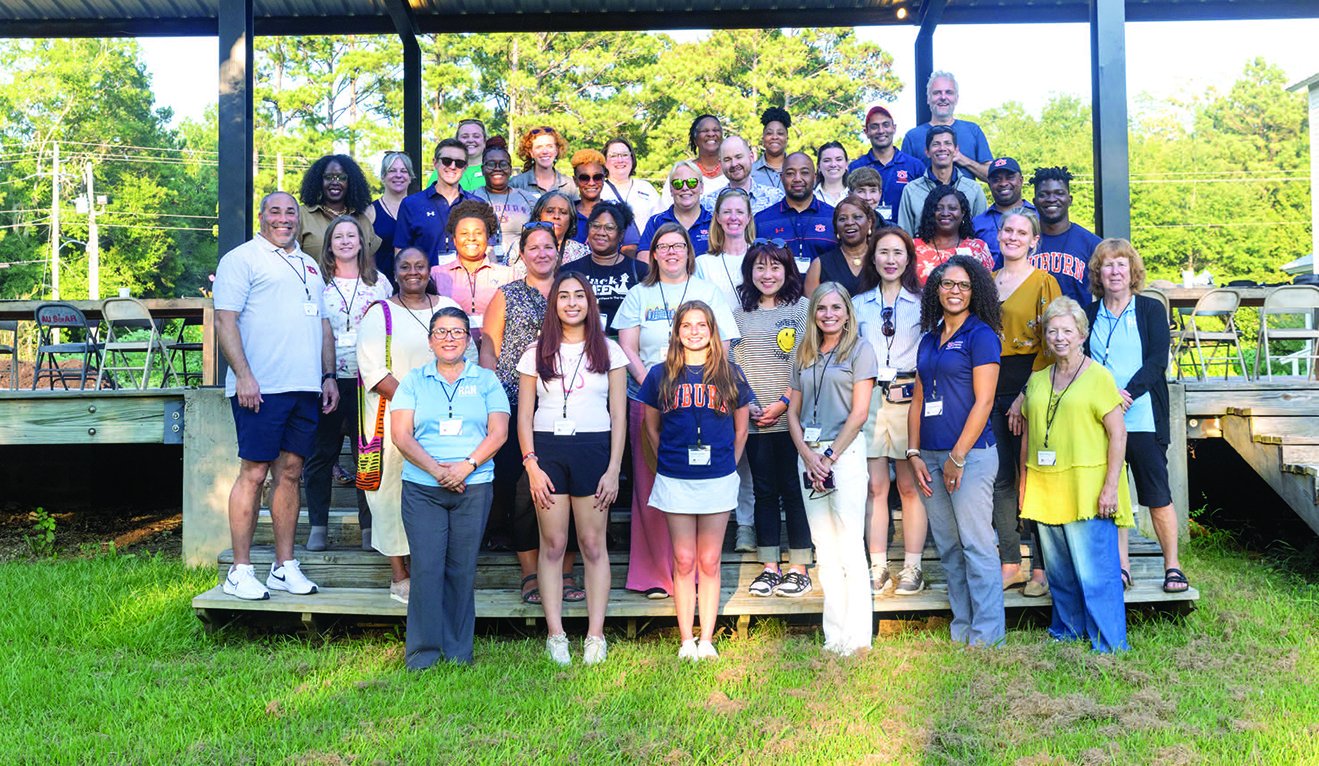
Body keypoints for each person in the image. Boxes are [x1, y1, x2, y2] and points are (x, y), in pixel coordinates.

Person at [214, 191, 338, 601]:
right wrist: (243, 375)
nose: (283, 219)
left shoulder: (308, 264)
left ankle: (283, 567)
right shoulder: (241, 259)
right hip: (260, 388)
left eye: (290, 212)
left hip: (303, 386)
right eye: (275, 211)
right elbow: (224, 319)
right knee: (254, 473)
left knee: (290, 473)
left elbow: (321, 325)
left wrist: (328, 376)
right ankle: (240, 569)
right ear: (262, 217)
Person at [615, 223, 740, 598]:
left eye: (678, 246)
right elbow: (628, 347)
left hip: (706, 402)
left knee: (702, 492)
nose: (671, 252)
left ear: (689, 252)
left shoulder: (707, 291)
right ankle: (655, 575)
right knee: (654, 490)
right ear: (652, 254)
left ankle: (699, 572)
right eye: (663, 247)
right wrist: (660, 385)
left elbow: (726, 342)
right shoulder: (640, 294)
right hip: (653, 402)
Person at [519, 273, 629, 665]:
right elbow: (524, 414)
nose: (571, 302)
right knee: (553, 545)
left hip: (594, 449)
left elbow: (619, 414)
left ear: (589, 302)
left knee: (593, 545)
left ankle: (595, 636)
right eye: (563, 296)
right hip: (547, 451)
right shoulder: (535, 352)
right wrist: (531, 464)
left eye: (578, 296)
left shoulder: (610, 351)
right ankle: (557, 635)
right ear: (554, 304)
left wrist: (614, 468)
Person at [391, 307, 510, 668]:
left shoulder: (487, 381)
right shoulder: (413, 381)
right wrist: (437, 470)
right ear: (430, 341)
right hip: (423, 488)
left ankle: (459, 652)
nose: (449, 338)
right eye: (441, 332)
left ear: (467, 340)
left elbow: (499, 432)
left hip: (473, 487)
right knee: (426, 569)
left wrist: (465, 466)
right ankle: (422, 655)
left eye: (457, 332)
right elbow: (400, 434)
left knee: (462, 570)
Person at [640, 300, 753, 660]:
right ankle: (686, 639)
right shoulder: (660, 374)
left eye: (701, 325)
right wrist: (669, 463)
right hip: (676, 478)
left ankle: (707, 640)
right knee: (684, 558)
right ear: (676, 332)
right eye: (686, 326)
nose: (694, 332)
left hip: (717, 477)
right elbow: (651, 428)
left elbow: (741, 428)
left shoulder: (730, 373)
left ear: (712, 330)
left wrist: (726, 465)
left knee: (709, 559)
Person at [1019, 297, 1132, 653]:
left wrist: (1111, 487)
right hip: (1047, 487)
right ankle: (1067, 634)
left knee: (1096, 574)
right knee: (1061, 575)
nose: (1059, 337)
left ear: (1082, 334)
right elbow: (1030, 432)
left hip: (1089, 487)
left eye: (1067, 330)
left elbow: (1119, 434)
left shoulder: (1099, 377)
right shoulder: (1036, 380)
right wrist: (1024, 484)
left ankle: (1109, 645)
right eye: (1052, 331)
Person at [356, 248, 463, 603]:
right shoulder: (380, 313)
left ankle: (431, 570)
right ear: (396, 271)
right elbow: (374, 370)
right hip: (391, 419)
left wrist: (438, 404)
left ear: (429, 271)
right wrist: (416, 404)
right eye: (405, 267)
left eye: (419, 266)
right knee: (390, 493)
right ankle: (399, 573)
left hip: (444, 418)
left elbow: (466, 354)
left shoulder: (445, 304)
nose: (413, 272)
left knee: (437, 489)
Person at [908, 255, 1004, 646]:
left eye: (963, 285)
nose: (954, 291)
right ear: (936, 289)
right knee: (948, 546)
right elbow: (917, 399)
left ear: (975, 291)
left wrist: (957, 456)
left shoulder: (981, 336)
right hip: (929, 456)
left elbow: (984, 402)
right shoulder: (929, 338)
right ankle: (962, 627)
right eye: (947, 284)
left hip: (970, 457)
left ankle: (987, 635)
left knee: (977, 545)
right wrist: (913, 453)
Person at [479, 222, 575, 605]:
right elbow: (489, 349)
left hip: (566, 404)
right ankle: (531, 573)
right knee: (521, 491)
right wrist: (490, 397)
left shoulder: (572, 292)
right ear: (521, 253)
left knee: (567, 487)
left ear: (558, 251)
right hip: (515, 400)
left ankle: (566, 573)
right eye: (533, 247)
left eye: (548, 246)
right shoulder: (506, 294)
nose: (541, 253)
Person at [1083, 239, 1185, 594]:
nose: (1114, 272)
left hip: (1142, 418)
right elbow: (1082, 364)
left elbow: (1158, 360)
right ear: (1098, 273)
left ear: (1133, 272)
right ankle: (1121, 567)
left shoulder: (1150, 310)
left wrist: (1126, 393)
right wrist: (1103, 399)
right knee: (1113, 496)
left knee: (1157, 494)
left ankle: (1172, 566)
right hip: (1102, 422)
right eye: (1107, 265)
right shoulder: (1089, 314)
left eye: (1121, 265)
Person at [788, 283, 878, 655]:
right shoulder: (803, 351)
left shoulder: (861, 350)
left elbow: (859, 414)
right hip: (808, 457)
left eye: (836, 308)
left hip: (844, 454)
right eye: (821, 308)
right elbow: (792, 411)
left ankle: (858, 639)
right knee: (824, 548)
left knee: (850, 545)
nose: (828, 314)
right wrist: (808, 456)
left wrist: (828, 456)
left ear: (847, 312)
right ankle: (834, 636)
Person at [304, 216, 393, 554]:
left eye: (351, 235)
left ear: (362, 242)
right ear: (329, 244)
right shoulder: (317, 284)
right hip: (326, 377)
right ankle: (318, 526)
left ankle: (369, 526)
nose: (345, 241)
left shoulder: (380, 283)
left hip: (367, 379)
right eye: (338, 236)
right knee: (321, 454)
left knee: (366, 454)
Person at [732, 241, 812, 596]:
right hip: (753, 419)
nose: (768, 275)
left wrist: (782, 402)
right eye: (760, 268)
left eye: (775, 267)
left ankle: (798, 566)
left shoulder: (801, 309)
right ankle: (768, 566)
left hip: (790, 418)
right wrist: (745, 401)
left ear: (787, 271)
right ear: (749, 272)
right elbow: (731, 365)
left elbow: (805, 362)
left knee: (793, 491)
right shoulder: (737, 315)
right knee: (763, 493)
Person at [853, 227, 928, 596]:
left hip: (908, 397)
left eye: (898, 253)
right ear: (873, 257)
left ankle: (913, 567)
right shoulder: (858, 302)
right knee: (874, 487)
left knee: (909, 486)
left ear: (909, 258)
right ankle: (878, 566)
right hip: (870, 400)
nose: (890, 260)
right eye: (883, 252)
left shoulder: (924, 301)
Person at [991, 209, 1060, 597]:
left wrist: (1023, 397)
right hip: (989, 382)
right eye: (1007, 230)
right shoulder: (985, 281)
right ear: (999, 235)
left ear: (1034, 241)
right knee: (1001, 478)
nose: (1013, 236)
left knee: (1033, 475)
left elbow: (1052, 342)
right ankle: (1010, 563)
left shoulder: (1043, 282)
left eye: (1022, 232)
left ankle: (1041, 567)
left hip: (1030, 381)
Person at [694, 187, 757, 552]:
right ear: (717, 218)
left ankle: (747, 524)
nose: (733, 217)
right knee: (729, 441)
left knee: (751, 444)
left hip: (760, 354)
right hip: (720, 358)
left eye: (740, 211)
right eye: (726, 212)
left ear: (749, 217)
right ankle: (726, 521)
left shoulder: (760, 256)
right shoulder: (704, 262)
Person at [429, 200, 517, 349]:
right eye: (464, 233)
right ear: (454, 240)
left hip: (497, 351)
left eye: (478, 233)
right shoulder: (436, 275)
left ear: (488, 237)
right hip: (451, 352)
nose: (471, 238)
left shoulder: (509, 276)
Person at [564, 202, 648, 341]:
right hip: (581, 347)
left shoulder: (640, 271)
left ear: (621, 235)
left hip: (628, 349)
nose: (601, 232)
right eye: (596, 226)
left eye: (609, 228)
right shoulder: (569, 271)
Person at [394, 139, 477, 266]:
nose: (452, 166)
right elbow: (401, 252)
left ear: (465, 167)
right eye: (446, 161)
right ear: (435, 163)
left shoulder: (476, 205)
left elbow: (487, 249)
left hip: (468, 283)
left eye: (459, 163)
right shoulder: (411, 204)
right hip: (425, 282)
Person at [754, 152, 837, 276]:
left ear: (814, 177)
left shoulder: (834, 217)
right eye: (790, 173)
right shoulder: (761, 221)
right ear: (781, 178)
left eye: (804, 173)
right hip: (777, 294)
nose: (797, 179)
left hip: (823, 294)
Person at [901, 72, 993, 182]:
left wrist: (964, 161)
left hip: (968, 199)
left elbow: (992, 177)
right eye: (937, 93)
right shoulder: (912, 137)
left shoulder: (973, 131)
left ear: (956, 98)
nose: (943, 97)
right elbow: (903, 181)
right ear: (928, 99)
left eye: (949, 92)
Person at [897, 126, 988, 236]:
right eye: (936, 144)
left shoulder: (974, 189)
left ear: (956, 150)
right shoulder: (911, 190)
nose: (942, 148)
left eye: (947, 143)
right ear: (927, 152)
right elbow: (905, 236)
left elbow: (981, 234)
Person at [1031, 166, 1101, 306]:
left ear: (1069, 200)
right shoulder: (1020, 241)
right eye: (1044, 194)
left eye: (1059, 193)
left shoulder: (1092, 244)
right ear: (1034, 201)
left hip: (1077, 325)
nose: (1051, 199)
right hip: (1029, 327)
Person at [848, 105, 926, 221]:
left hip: (904, 235)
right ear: (866, 132)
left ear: (894, 128)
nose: (881, 131)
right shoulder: (855, 167)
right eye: (874, 127)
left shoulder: (915, 166)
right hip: (866, 235)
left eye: (885, 125)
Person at [297, 154, 381, 262]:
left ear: (351, 182)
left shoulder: (362, 219)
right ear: (318, 181)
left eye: (342, 178)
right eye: (328, 177)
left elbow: (369, 267)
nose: (335, 182)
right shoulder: (302, 215)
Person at [472, 140, 539, 269]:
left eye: (503, 164)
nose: (498, 168)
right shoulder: (471, 197)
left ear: (510, 169)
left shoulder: (528, 199)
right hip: (482, 268)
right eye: (491, 164)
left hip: (521, 268)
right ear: (482, 169)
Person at [912, 185, 994, 284]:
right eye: (939, 208)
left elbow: (989, 287)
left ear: (962, 213)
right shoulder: (913, 248)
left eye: (952, 208)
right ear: (931, 213)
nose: (945, 213)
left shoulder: (978, 248)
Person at [639, 161, 713, 263]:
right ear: (671, 189)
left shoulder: (715, 222)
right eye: (678, 183)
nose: (685, 188)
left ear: (701, 188)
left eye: (692, 183)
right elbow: (644, 265)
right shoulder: (656, 222)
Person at [571, 149, 640, 258]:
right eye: (584, 178)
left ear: (604, 178)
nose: (591, 183)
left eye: (597, 177)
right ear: (575, 180)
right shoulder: (566, 213)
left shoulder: (619, 212)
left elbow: (630, 248)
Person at [804, 194, 875, 297]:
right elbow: (811, 309)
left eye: (857, 217)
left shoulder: (881, 259)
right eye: (842, 219)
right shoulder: (819, 265)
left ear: (869, 223)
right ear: (836, 227)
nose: (849, 223)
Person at [971, 157, 1036, 269]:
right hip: (990, 284)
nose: (1003, 183)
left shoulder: (1038, 216)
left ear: (1021, 180)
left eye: (1010, 178)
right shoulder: (977, 223)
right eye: (996, 180)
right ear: (989, 184)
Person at [698, 136, 784, 215]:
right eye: (727, 160)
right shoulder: (708, 205)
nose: (734, 164)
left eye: (739, 157)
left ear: (751, 157)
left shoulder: (775, 199)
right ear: (721, 164)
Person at [366, 151, 413, 290]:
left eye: (403, 171)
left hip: (414, 283)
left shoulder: (419, 208)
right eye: (392, 171)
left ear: (410, 177)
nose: (398, 175)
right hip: (379, 283)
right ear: (382, 177)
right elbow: (365, 254)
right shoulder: (370, 211)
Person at [600, 137, 660, 232]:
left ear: (632, 159)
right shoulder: (599, 189)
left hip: (645, 246)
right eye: (613, 156)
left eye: (624, 155)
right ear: (605, 162)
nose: (620, 160)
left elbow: (660, 223)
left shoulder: (646, 188)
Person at [510, 126, 577, 200]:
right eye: (539, 147)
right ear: (531, 152)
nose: (545, 151)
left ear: (556, 151)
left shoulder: (569, 186)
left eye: (550, 146)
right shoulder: (516, 184)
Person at [531, 190, 590, 264]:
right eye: (550, 211)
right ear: (538, 216)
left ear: (570, 219)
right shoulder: (522, 247)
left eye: (563, 212)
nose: (556, 216)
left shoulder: (581, 252)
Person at [752, 106, 791, 190]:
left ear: (787, 139)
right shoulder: (750, 172)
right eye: (769, 133)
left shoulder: (798, 170)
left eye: (780, 133)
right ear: (763, 139)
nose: (774, 137)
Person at [689, 114, 726, 185]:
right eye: (705, 131)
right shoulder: (683, 171)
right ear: (695, 140)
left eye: (716, 130)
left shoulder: (732, 169)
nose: (711, 134)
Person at [813, 142, 850, 208]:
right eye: (827, 160)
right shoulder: (811, 197)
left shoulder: (856, 195)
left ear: (846, 164)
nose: (833, 164)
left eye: (838, 159)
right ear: (819, 167)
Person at [456, 119, 488, 191]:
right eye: (464, 137)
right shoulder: (444, 169)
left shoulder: (497, 170)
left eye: (476, 136)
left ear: (485, 142)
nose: (470, 140)